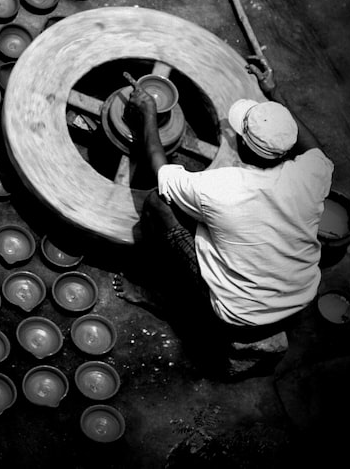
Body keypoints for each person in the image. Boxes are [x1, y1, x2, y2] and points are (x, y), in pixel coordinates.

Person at [114, 57, 335, 365]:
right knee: (217, 223)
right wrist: (274, 94)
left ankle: (156, 295)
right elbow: (311, 146)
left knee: (158, 204)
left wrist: (149, 115)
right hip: (297, 299)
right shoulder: (314, 173)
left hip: (235, 314)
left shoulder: (222, 187)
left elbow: (160, 169)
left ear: (242, 145)